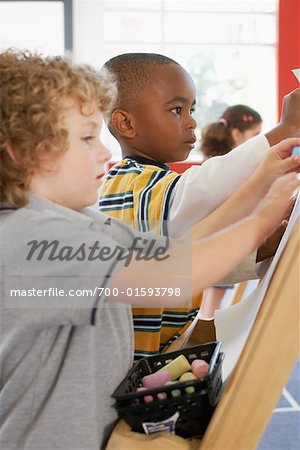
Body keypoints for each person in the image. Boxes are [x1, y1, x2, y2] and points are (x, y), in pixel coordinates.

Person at [0, 49, 299, 450]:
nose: (105, 152)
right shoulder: (30, 240)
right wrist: (260, 218)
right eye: (87, 138)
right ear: (23, 151)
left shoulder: (83, 223)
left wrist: (260, 183)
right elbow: (173, 276)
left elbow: (176, 249)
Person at [100, 53, 300, 360]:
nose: (192, 121)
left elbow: (183, 256)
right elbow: (201, 190)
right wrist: (284, 130)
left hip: (159, 349)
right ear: (126, 123)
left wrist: (256, 250)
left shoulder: (150, 182)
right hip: (139, 362)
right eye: (177, 110)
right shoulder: (132, 183)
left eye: (191, 109)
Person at [200, 104, 263, 317]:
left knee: (214, 295)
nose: (258, 140)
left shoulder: (218, 163)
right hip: (220, 238)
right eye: (255, 135)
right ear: (237, 133)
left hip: (219, 237)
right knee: (214, 299)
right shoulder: (227, 167)